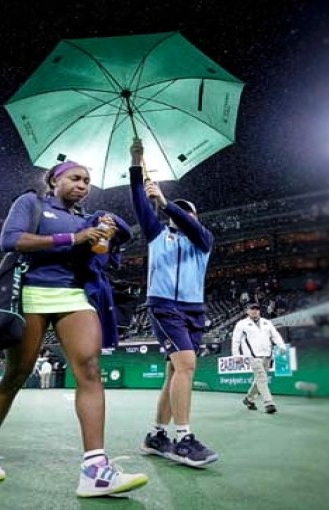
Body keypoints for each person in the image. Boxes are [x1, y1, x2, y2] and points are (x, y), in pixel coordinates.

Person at [0, 160, 148, 498]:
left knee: (90, 370)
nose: (83, 185)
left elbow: (99, 260)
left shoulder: (87, 219)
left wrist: (106, 237)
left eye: (88, 181)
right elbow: (11, 239)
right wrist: (73, 236)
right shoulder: (32, 203)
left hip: (74, 295)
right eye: (76, 178)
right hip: (31, 293)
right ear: (54, 180)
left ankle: (94, 470)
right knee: (16, 375)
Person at [128, 138, 218, 468]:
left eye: (186, 211)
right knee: (186, 366)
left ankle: (156, 435)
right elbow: (140, 204)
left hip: (195, 309)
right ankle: (182, 439)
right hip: (165, 305)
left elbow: (192, 227)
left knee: (173, 374)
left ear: (193, 216)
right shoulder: (158, 235)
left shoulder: (204, 240)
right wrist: (137, 163)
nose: (180, 216)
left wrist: (166, 202)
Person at [230, 302, 287, 413]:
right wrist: (236, 354)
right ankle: (269, 403)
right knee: (261, 377)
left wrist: (281, 346)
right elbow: (236, 340)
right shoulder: (242, 324)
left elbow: (275, 335)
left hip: (267, 354)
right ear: (247, 311)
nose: (255, 311)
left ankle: (249, 399)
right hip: (253, 355)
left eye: (257, 309)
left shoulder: (267, 322)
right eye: (252, 309)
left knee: (260, 379)